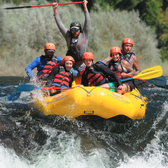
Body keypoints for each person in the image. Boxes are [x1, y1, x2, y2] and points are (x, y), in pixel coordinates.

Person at [52, 0, 90, 77]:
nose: (74, 31)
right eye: (73, 29)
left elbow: (87, 20)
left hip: (84, 65)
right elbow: (60, 24)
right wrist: (55, 9)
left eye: (76, 29)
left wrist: (85, 6)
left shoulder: (84, 35)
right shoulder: (68, 36)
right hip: (71, 66)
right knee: (61, 70)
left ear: (80, 30)